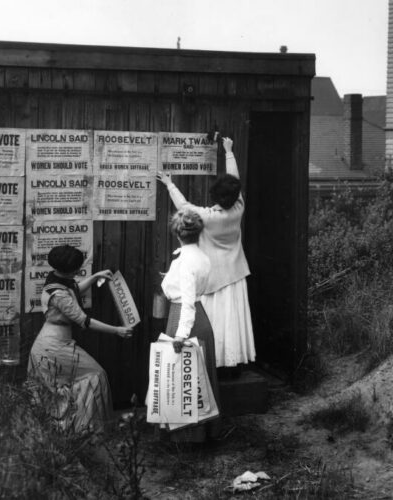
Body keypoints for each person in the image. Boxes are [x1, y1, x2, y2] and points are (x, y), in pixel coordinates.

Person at [157, 137, 256, 369]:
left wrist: (169, 184)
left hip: (213, 278)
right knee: (233, 323)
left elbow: (183, 206)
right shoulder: (239, 206)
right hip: (235, 274)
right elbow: (235, 180)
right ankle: (233, 363)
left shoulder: (208, 217)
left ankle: (214, 363)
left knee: (216, 322)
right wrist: (228, 151)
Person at [27, 245, 133, 433]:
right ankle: (88, 429)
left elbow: (74, 289)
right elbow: (85, 321)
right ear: (71, 270)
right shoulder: (59, 294)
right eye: (77, 268)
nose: (78, 270)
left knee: (84, 378)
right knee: (95, 375)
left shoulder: (56, 280)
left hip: (53, 343)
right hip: (54, 346)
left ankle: (79, 428)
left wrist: (94, 277)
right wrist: (117, 330)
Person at [160, 208, 220, 442]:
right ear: (199, 233)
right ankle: (202, 433)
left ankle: (186, 439)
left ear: (177, 233)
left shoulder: (185, 261)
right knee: (196, 376)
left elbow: (186, 301)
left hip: (184, 318)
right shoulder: (202, 257)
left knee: (183, 376)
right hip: (200, 316)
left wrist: (180, 335)